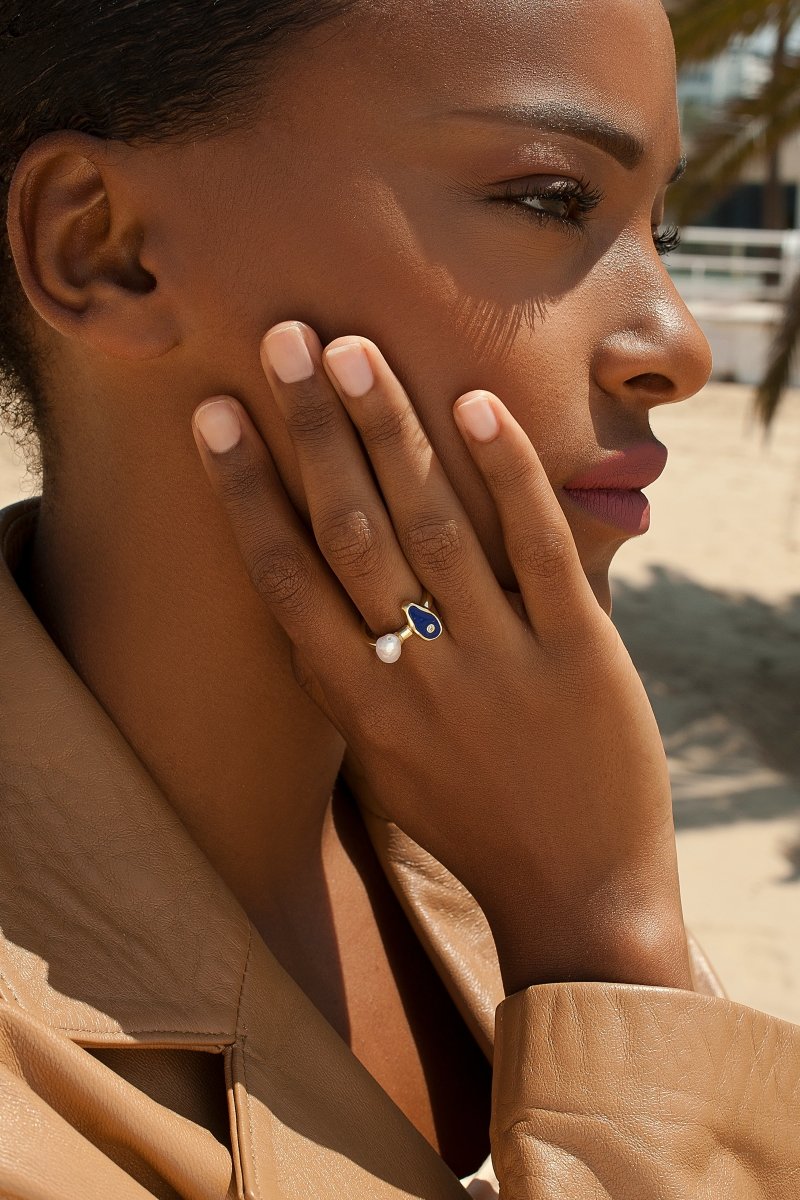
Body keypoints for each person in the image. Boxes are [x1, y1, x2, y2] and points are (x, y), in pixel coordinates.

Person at [0, 0, 797, 1196]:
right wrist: (605, 947)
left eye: (662, 229)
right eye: (549, 199)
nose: (672, 346)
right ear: (103, 249)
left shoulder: (522, 803)